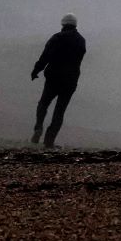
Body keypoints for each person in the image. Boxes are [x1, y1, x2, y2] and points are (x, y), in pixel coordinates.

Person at [30, 13, 87, 148]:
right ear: (75, 25)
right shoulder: (81, 41)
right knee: (60, 111)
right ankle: (49, 140)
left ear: (63, 24)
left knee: (43, 103)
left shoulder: (57, 37)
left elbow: (45, 56)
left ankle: (38, 128)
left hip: (54, 77)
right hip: (71, 80)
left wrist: (36, 70)